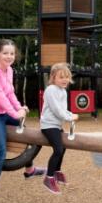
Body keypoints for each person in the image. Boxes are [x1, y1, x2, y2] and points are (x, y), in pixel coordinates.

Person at [0, 39, 46, 203]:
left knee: (26, 132)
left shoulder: (9, 71)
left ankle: (29, 170)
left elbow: (9, 93)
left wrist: (19, 108)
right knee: (0, 151)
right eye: (5, 53)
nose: (9, 56)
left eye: (12, 53)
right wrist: (15, 114)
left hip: (2, 112)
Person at [40, 63, 79, 195]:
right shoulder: (51, 90)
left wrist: (70, 115)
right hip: (48, 125)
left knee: (63, 147)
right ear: (53, 78)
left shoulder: (62, 91)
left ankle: (56, 172)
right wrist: (69, 117)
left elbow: (63, 110)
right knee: (58, 150)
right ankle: (49, 177)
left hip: (56, 125)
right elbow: (57, 110)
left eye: (67, 77)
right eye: (61, 77)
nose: (64, 80)